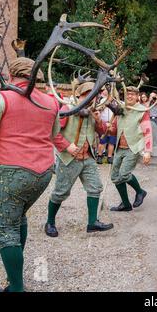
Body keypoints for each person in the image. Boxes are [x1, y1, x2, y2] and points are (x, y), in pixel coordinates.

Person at [0, 57, 59, 292]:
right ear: (36, 77)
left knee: (6, 228)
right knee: (19, 218)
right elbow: (54, 133)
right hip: (44, 172)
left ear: (11, 75)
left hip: (13, 173)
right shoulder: (51, 102)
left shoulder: (3, 97)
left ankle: (16, 287)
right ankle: (14, 280)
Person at [45, 82, 114, 238]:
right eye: (87, 95)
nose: (91, 98)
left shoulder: (93, 110)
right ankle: (50, 222)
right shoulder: (67, 109)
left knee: (95, 187)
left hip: (88, 157)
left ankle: (92, 223)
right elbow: (53, 132)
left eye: (93, 95)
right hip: (69, 158)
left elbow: (102, 131)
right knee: (61, 192)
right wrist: (67, 146)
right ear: (79, 95)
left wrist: (98, 121)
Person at [109, 86, 152, 212]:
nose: (129, 96)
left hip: (133, 147)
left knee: (124, 174)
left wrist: (147, 151)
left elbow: (147, 131)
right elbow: (115, 130)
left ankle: (140, 192)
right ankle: (126, 204)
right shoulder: (120, 109)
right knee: (115, 177)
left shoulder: (142, 110)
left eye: (133, 94)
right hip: (119, 148)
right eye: (127, 94)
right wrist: (108, 127)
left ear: (137, 96)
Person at [96, 89, 116, 165]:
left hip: (113, 123)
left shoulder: (116, 101)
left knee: (111, 141)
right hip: (104, 122)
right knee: (102, 140)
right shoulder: (103, 100)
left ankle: (109, 157)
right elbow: (100, 109)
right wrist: (107, 102)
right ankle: (100, 156)